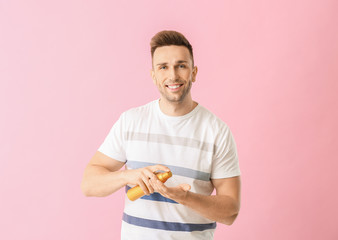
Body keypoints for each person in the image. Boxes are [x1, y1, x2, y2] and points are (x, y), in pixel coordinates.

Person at [81, 30, 241, 240]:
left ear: (193, 72)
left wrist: (185, 197)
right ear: (154, 75)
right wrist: (129, 175)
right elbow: (89, 184)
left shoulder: (217, 132)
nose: (173, 75)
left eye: (181, 65)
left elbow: (230, 211)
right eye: (163, 67)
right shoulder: (130, 122)